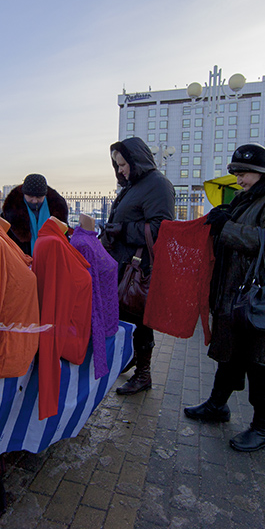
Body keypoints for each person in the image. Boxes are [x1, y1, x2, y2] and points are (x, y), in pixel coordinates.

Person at [185, 143, 265, 453]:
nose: (238, 180)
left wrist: (228, 228)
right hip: (240, 292)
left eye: (243, 174)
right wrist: (226, 217)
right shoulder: (251, 195)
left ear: (262, 171)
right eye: (236, 174)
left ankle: (264, 429)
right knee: (230, 354)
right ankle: (217, 406)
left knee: (263, 363)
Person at [102, 137, 175, 395]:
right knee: (131, 318)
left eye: (123, 164)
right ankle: (133, 360)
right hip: (126, 264)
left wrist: (123, 230)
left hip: (140, 268)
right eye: (117, 166)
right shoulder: (135, 185)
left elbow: (161, 229)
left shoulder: (158, 185)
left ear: (136, 160)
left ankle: (144, 375)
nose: (120, 170)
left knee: (141, 321)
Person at [2, 174, 70, 256]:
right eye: (30, 196)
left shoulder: (57, 208)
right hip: (20, 257)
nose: (34, 201)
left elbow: (64, 235)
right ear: (24, 194)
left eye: (39, 197)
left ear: (45, 195)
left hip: (51, 256)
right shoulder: (11, 210)